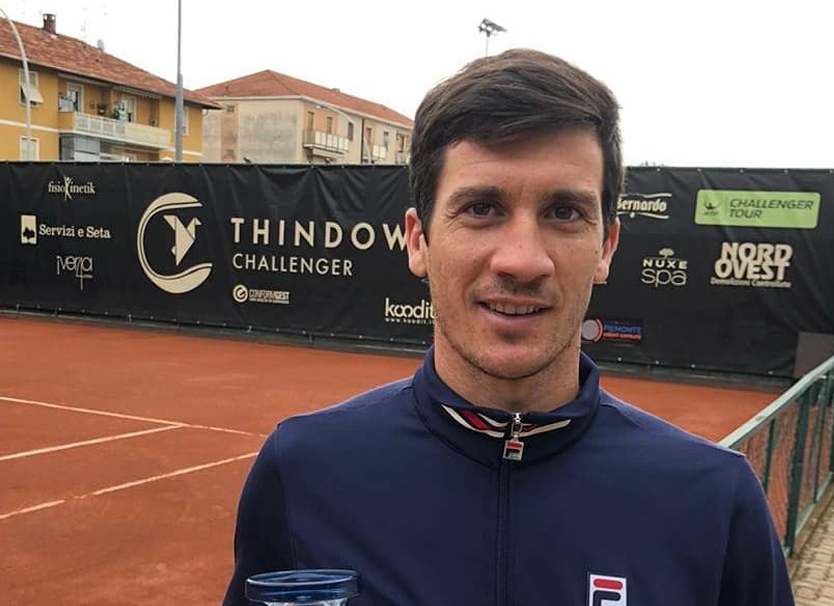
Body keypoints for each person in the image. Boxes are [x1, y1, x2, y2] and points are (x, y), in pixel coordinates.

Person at [223, 49, 794, 606]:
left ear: (606, 247)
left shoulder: (716, 500)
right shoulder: (302, 472)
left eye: (564, 212)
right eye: (481, 208)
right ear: (419, 241)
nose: (522, 261)